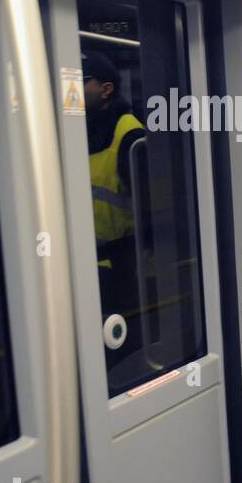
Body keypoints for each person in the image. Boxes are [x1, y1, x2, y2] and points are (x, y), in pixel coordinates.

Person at [82, 50, 145, 356]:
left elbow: (148, 203)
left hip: (120, 262)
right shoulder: (80, 130)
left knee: (121, 347)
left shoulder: (130, 134)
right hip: (88, 259)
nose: (74, 89)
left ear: (106, 89)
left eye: (82, 81)